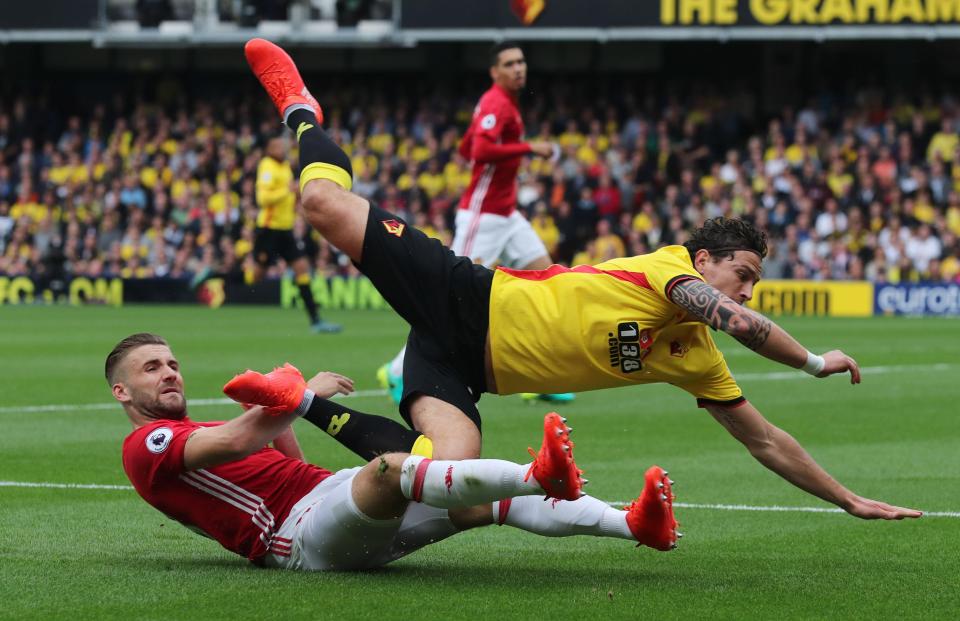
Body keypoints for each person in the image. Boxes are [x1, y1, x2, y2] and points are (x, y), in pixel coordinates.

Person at [243, 38, 923, 532]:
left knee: (444, 481)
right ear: (705, 260)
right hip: (469, 296)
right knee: (324, 207)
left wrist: (847, 497)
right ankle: (302, 110)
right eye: (741, 274)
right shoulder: (668, 273)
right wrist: (813, 361)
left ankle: (302, 404)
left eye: (752, 281)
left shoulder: (696, 357)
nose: (746, 291)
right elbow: (735, 320)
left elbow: (766, 440)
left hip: (458, 365)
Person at [108, 333, 679, 571]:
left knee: (480, 505)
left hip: (320, 501)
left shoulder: (190, 429)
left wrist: (284, 405)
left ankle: (634, 525)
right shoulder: (147, 445)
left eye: (172, 364)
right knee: (391, 470)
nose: (169, 374)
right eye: (151, 368)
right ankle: (539, 475)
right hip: (293, 538)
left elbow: (279, 456)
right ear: (122, 391)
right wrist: (293, 396)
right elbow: (237, 439)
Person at [377, 41, 572, 405]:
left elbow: (469, 147)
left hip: (507, 214)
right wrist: (530, 148)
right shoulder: (497, 102)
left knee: (548, 281)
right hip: (483, 217)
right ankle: (397, 369)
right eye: (510, 63)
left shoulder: (498, 102)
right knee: (448, 293)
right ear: (494, 72)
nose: (519, 68)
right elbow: (480, 151)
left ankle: (541, 373)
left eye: (522, 61)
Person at [250, 134, 341, 333]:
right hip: (268, 228)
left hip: (286, 229)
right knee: (255, 276)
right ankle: (218, 276)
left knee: (302, 267)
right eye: (276, 145)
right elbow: (263, 199)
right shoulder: (267, 166)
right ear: (268, 149)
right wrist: (288, 190)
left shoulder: (284, 166)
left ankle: (316, 320)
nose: (281, 148)